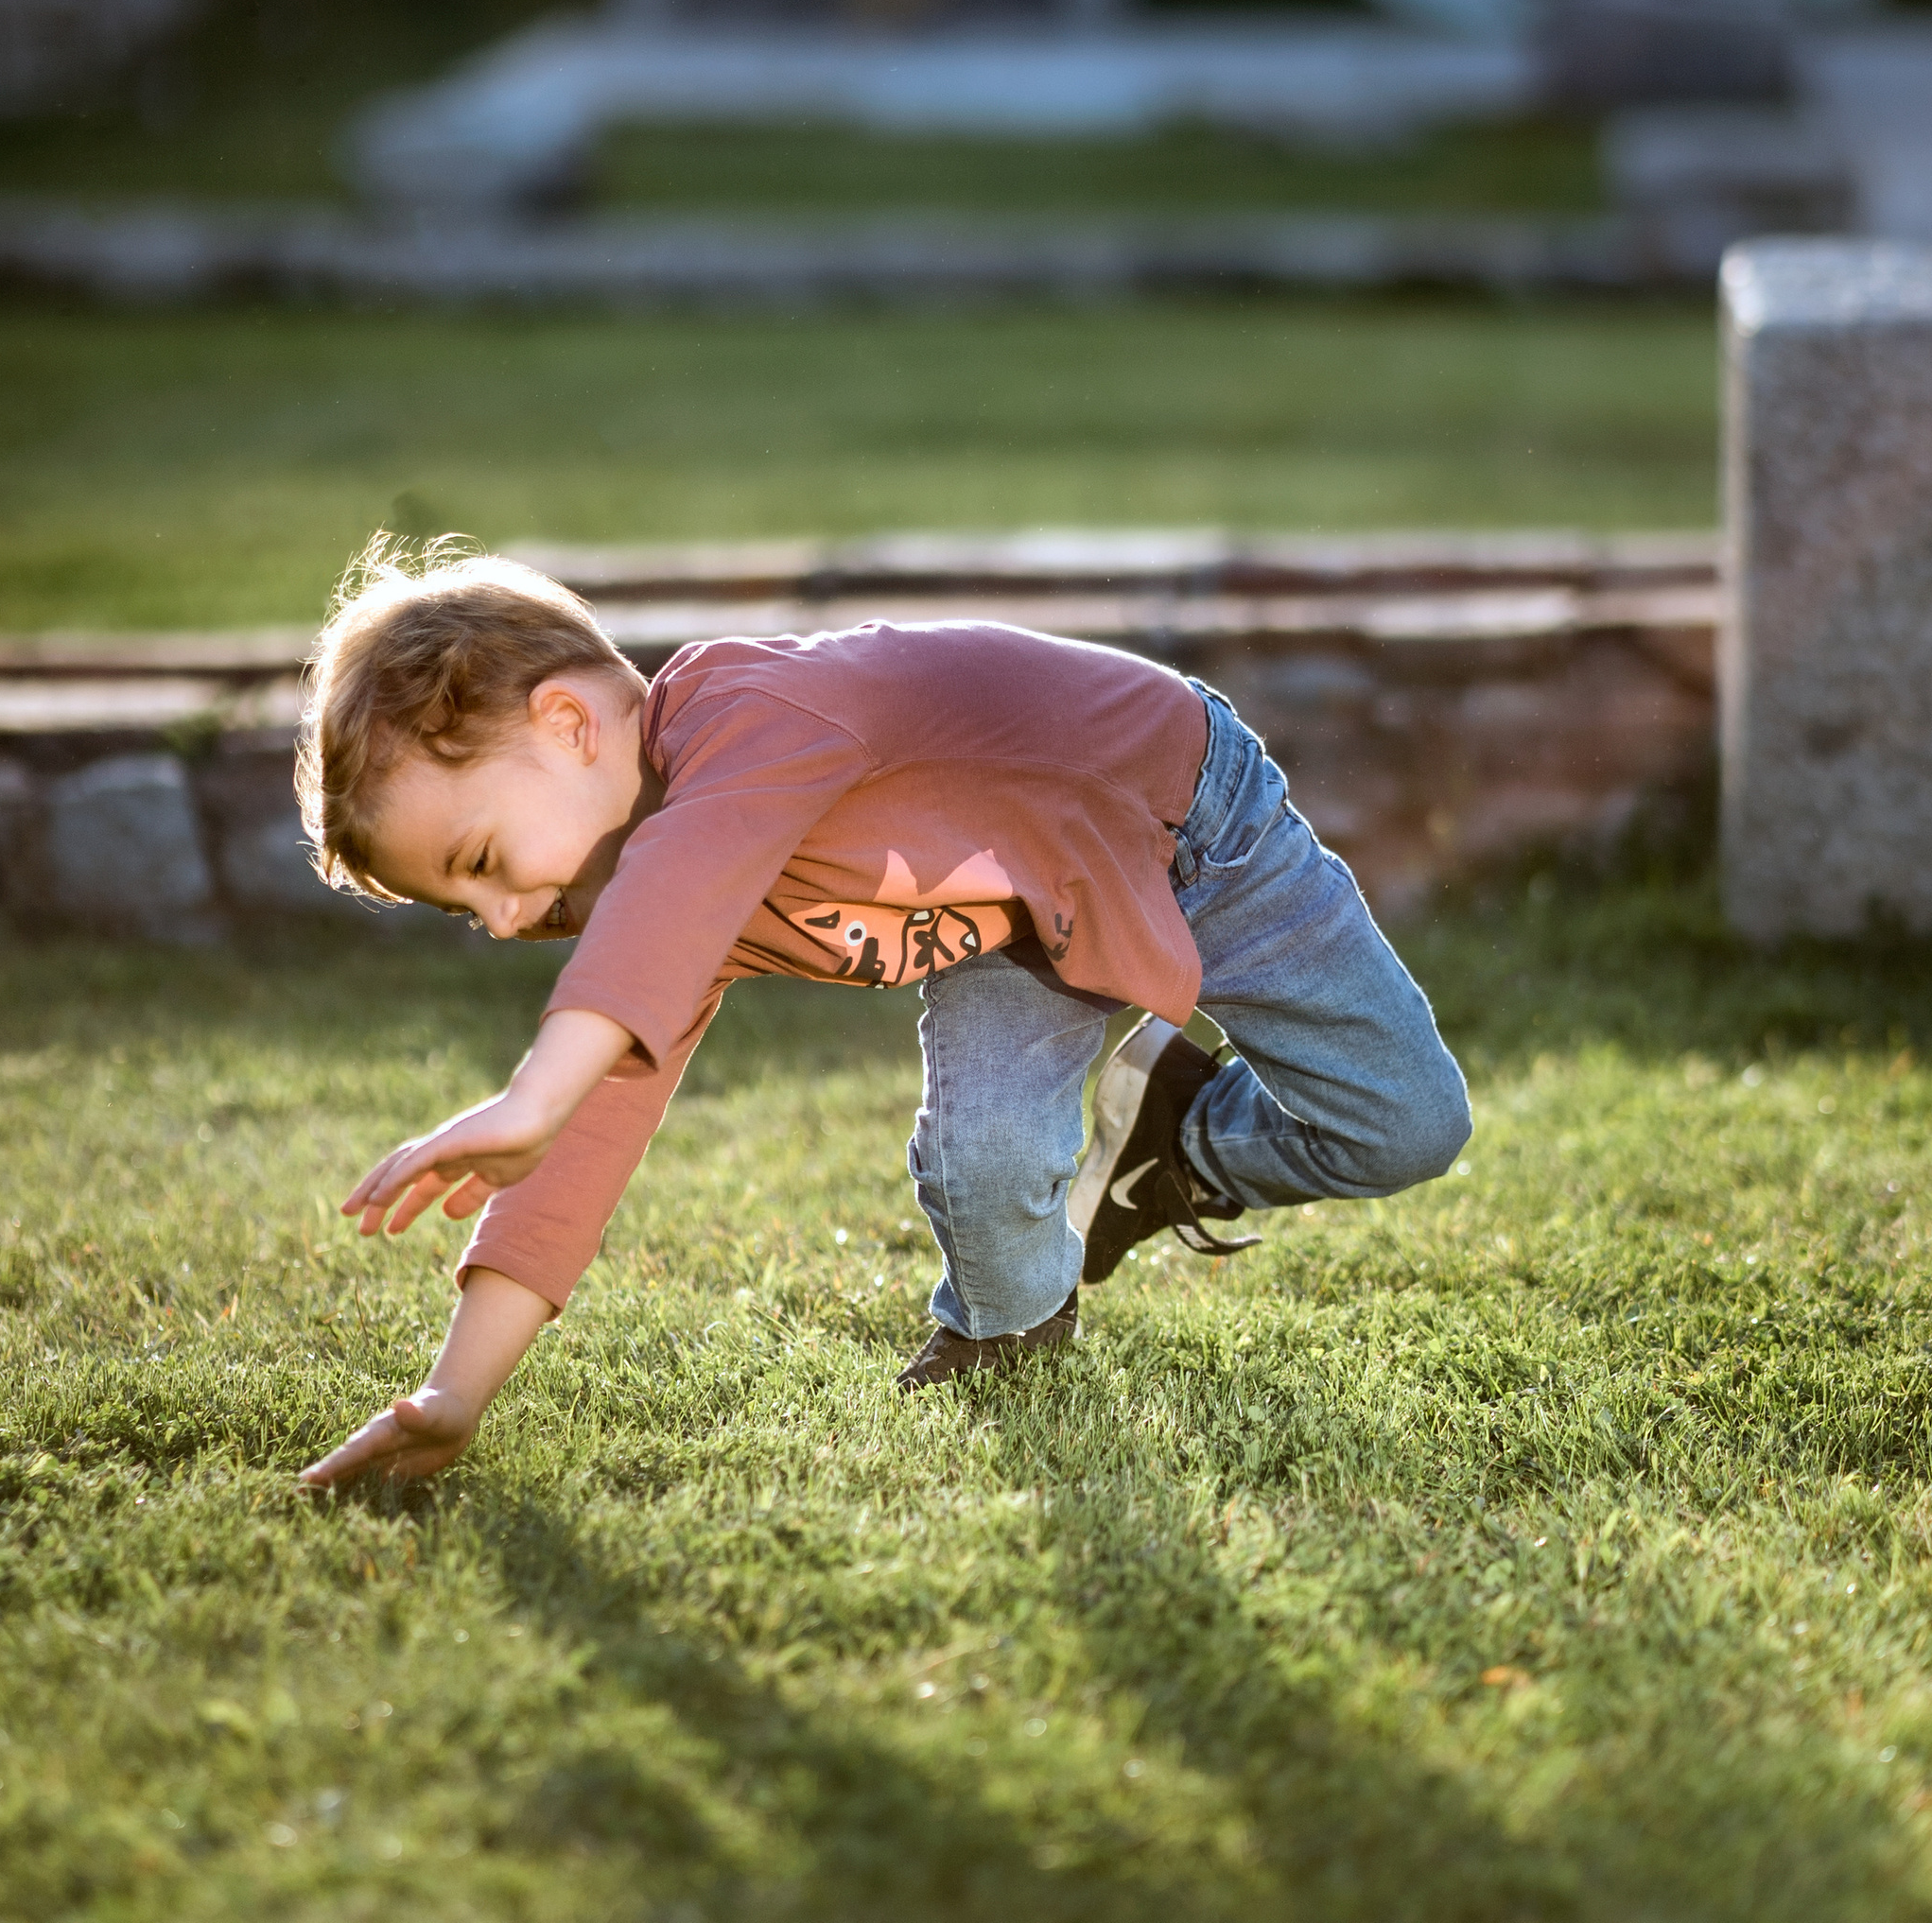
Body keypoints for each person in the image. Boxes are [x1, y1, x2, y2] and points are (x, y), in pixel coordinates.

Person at [294, 546, 1471, 1491]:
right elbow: (588, 1134)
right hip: (1020, 927)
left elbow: (677, 885)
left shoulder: (751, 715)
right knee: (986, 1160)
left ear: (568, 723)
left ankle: (1182, 1141)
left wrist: (530, 1090)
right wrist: (454, 1393)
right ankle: (1009, 1328)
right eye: (466, 905)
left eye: (484, 862)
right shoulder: (657, 894)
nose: (501, 920)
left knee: (1407, 1124)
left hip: (1190, 818)